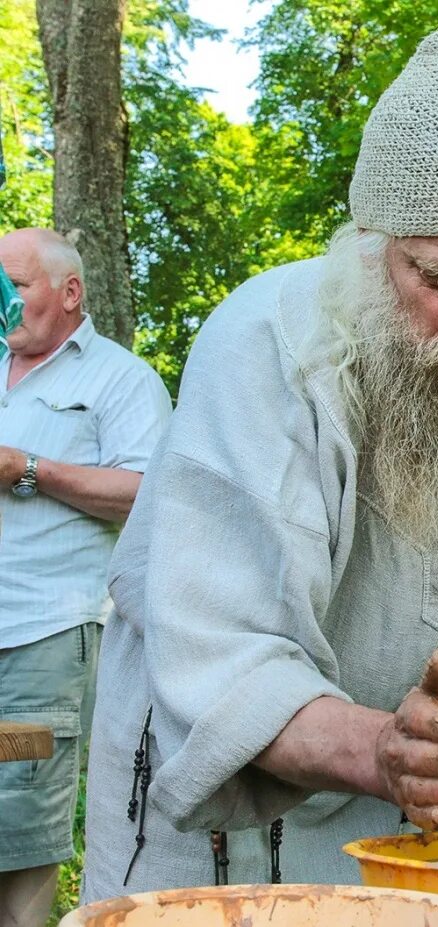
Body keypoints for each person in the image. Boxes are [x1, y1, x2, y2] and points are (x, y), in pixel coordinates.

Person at [80, 30, 438, 901]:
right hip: (229, 827)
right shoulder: (266, 347)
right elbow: (223, 648)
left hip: (431, 816)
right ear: (372, 249)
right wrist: (377, 747)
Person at [0, 228, 172, 927]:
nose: (3, 301)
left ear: (69, 293)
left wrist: (29, 469)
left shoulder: (121, 378)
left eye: (16, 284)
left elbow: (149, 492)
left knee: (18, 825)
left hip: (42, 642)